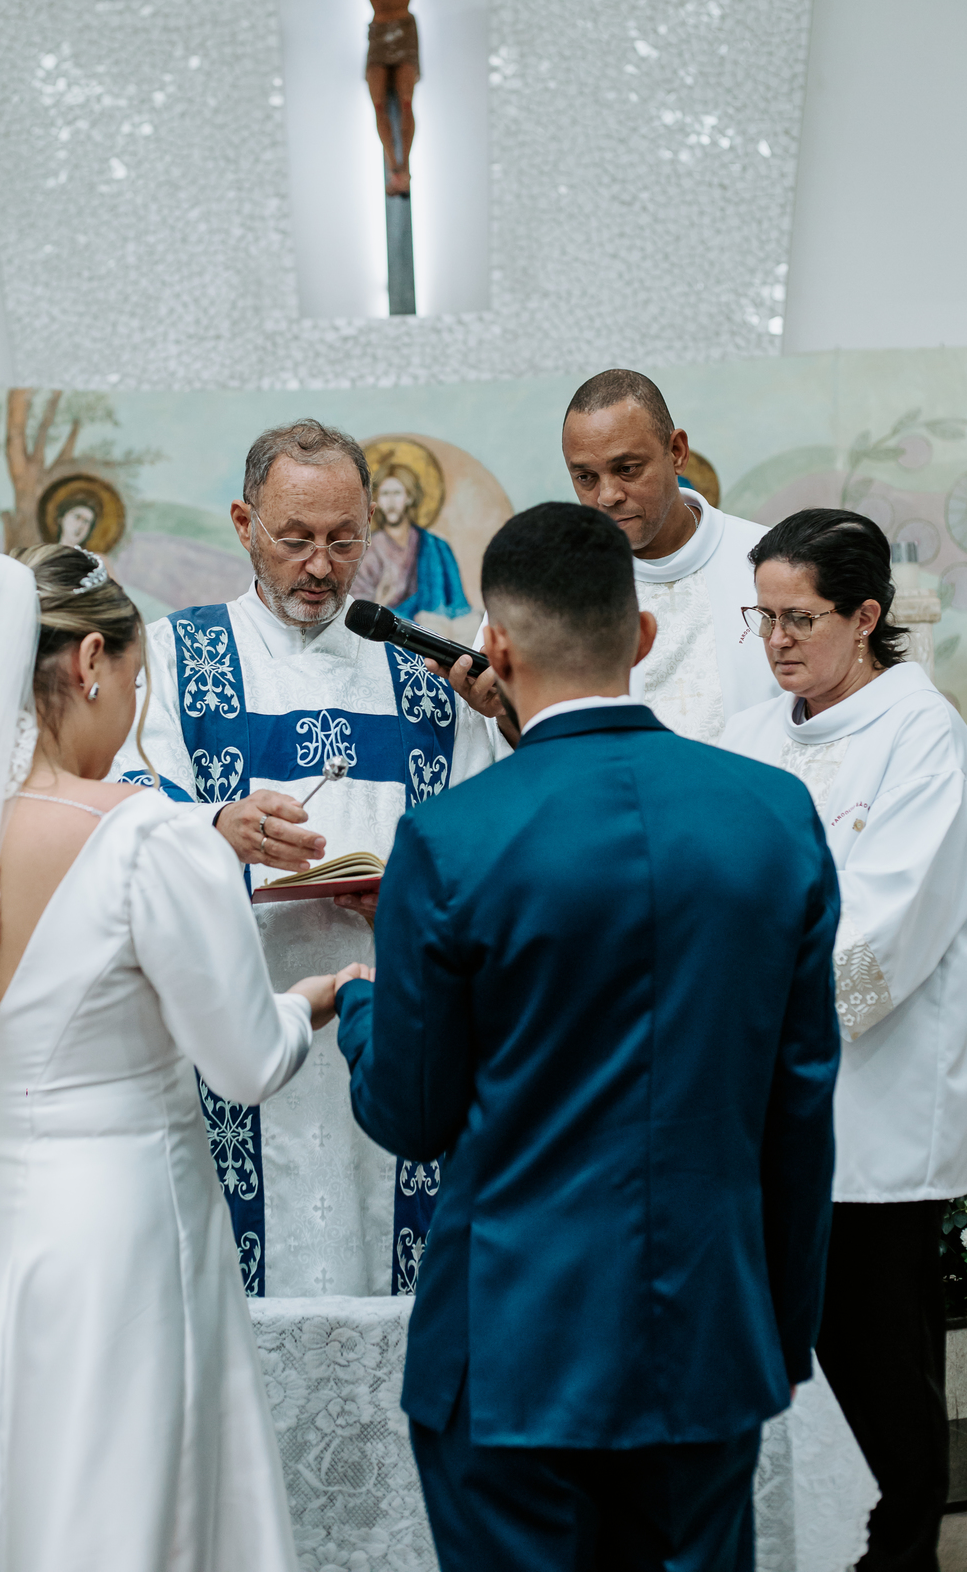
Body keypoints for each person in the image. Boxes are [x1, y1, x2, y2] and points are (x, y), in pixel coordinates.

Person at [0, 544, 365, 1572]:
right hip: (118, 1240)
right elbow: (244, 1062)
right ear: (92, 661)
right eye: (134, 686)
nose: (133, 716)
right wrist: (316, 998)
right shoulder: (149, 839)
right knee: (118, 1505)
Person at [333, 500, 844, 1571]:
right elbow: (799, 1110)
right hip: (708, 1338)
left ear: (497, 649)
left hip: (512, 1347)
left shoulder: (451, 840)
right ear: (641, 636)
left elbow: (412, 1115)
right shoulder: (772, 817)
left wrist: (364, 1006)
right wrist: (780, 1335)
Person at [114, 419, 498, 1299]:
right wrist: (214, 825)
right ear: (244, 523)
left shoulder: (423, 671)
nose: (321, 567)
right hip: (237, 1019)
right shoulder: (176, 656)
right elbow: (122, 805)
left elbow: (486, 837)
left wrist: (415, 897)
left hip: (389, 1018)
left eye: (344, 540)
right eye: (295, 540)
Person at [723, 508, 967, 1572]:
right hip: (760, 1101)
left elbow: (886, 932)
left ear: (866, 616)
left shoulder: (925, 739)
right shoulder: (751, 735)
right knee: (784, 1367)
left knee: (875, 1364)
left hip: (872, 1117)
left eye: (801, 618)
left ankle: (900, 1551)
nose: (778, 641)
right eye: (763, 616)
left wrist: (738, 1023)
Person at [440, 367, 778, 746]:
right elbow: (522, 754)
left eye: (627, 469)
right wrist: (505, 713)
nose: (608, 495)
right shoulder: (540, 580)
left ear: (676, 452)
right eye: (586, 477)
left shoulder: (769, 561)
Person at [229, 0, 544, 194]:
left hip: (404, 28)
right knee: (378, 102)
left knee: (406, 101)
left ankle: (405, 166)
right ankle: (392, 165)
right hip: (379, 29)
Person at [352, 455, 470, 621]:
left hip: (433, 629)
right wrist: (380, 601)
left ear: (409, 497)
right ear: (377, 499)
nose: (391, 502)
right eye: (385, 494)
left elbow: (458, 605)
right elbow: (358, 610)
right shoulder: (368, 549)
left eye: (397, 493)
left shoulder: (436, 547)